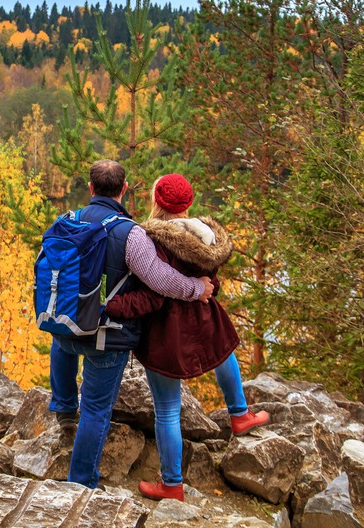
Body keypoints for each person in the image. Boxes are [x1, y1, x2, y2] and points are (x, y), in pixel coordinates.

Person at [49, 160, 215, 490]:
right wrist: (198, 289)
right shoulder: (131, 234)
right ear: (124, 190)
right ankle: (81, 485)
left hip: (65, 327)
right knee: (95, 412)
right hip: (106, 337)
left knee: (63, 346)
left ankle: (64, 406)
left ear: (91, 188)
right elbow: (160, 280)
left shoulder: (66, 221)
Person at [103, 173, 269, 501]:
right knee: (224, 354)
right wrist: (204, 289)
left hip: (165, 330)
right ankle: (240, 415)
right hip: (206, 317)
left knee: (167, 409)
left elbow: (152, 292)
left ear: (158, 202)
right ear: (188, 204)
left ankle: (172, 484)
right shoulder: (206, 237)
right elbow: (213, 283)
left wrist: (113, 305)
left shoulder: (148, 239)